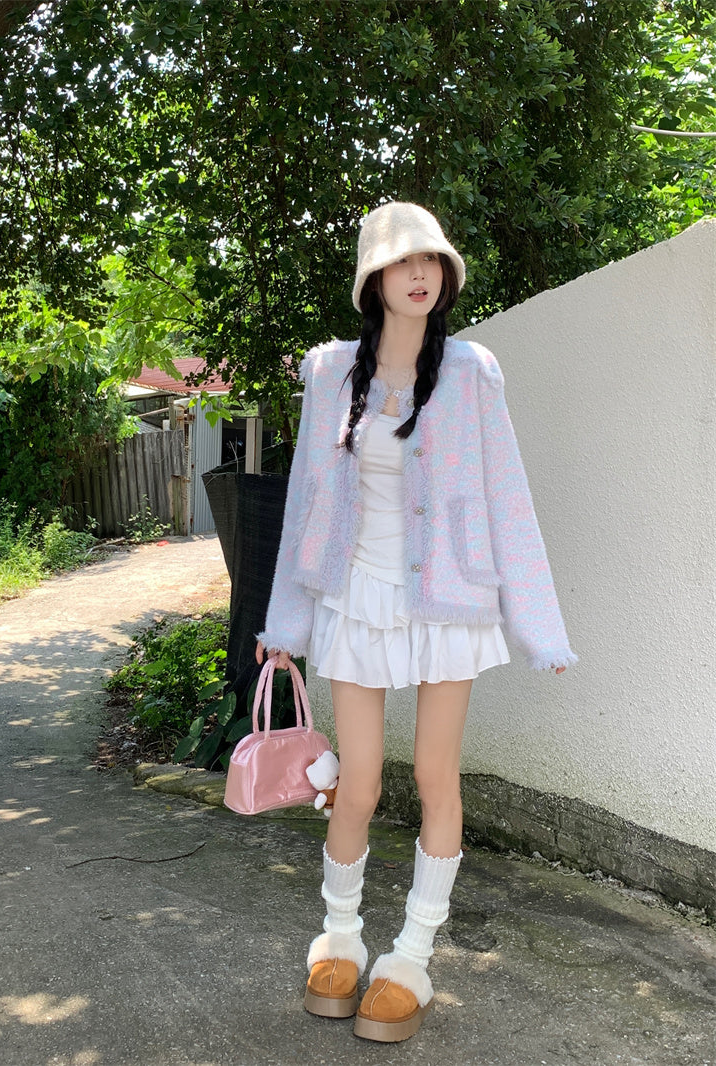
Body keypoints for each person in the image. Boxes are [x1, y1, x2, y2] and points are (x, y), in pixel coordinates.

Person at [255, 201, 577, 1043]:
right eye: (403, 261)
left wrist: (539, 625)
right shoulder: (331, 371)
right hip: (355, 598)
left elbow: (508, 496)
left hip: (447, 600)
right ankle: (340, 939)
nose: (420, 273)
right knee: (357, 782)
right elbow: (306, 501)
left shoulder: (472, 371)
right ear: (375, 279)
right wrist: (285, 622)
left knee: (437, 777)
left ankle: (411, 959)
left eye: (431, 260)